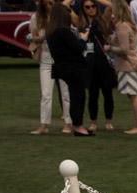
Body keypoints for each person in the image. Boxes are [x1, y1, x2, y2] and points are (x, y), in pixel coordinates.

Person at [46, 1, 94, 136]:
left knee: (76, 96)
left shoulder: (51, 32)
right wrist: (82, 38)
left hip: (62, 67)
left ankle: (78, 125)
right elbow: (78, 48)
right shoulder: (63, 31)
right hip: (73, 67)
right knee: (77, 97)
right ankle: (78, 126)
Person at [29, 0, 73, 135]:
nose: (49, 6)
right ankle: (44, 124)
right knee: (46, 94)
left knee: (66, 93)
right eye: (47, 3)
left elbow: (70, 33)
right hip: (46, 56)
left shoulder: (62, 15)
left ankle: (68, 123)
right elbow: (34, 37)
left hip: (61, 56)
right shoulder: (36, 17)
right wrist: (44, 37)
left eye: (52, 3)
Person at [110, 0, 137, 133]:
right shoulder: (130, 25)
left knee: (133, 96)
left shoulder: (122, 26)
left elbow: (124, 49)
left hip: (128, 65)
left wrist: (110, 48)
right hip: (136, 62)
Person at [76, 0, 116, 131]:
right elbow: (65, 7)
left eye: (93, 6)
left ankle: (108, 121)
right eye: (87, 7)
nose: (91, 9)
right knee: (93, 94)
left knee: (107, 92)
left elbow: (110, 5)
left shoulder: (102, 20)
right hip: (89, 61)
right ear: (83, 9)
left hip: (103, 60)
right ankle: (93, 121)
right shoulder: (80, 22)